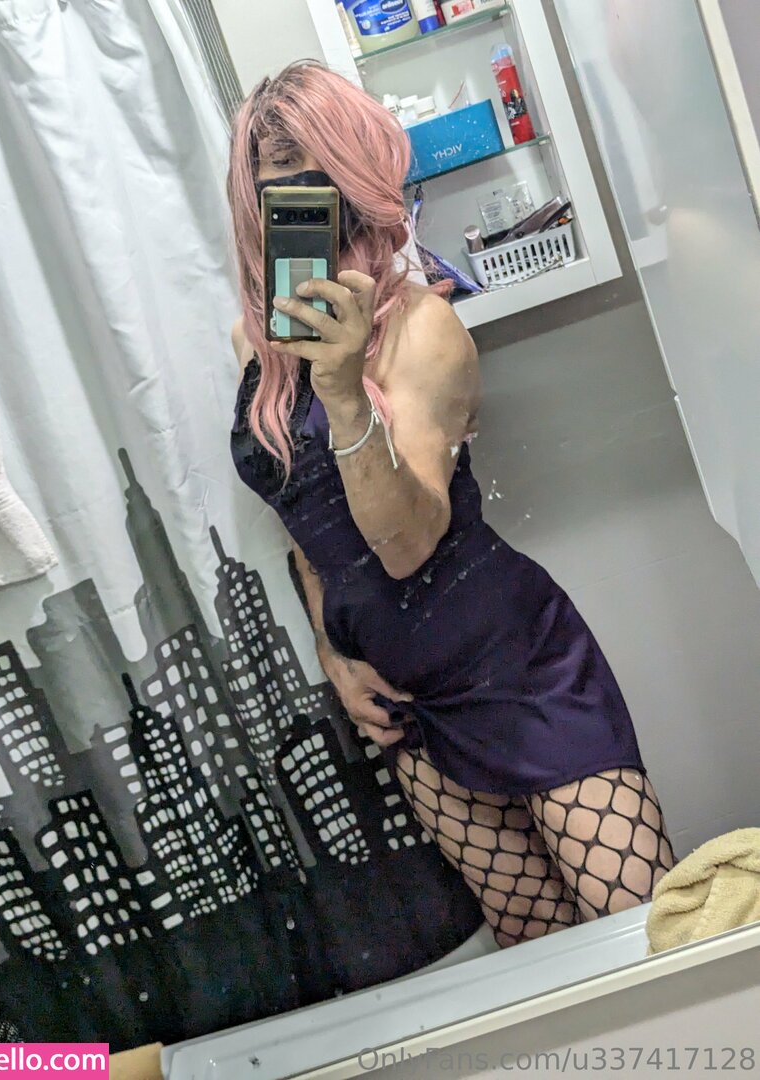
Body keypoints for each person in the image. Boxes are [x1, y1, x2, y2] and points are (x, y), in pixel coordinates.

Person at [226, 60, 676, 948]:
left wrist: (344, 390)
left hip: (511, 664)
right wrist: (331, 651)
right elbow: (302, 521)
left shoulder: (421, 326)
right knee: (533, 947)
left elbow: (407, 544)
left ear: (357, 189)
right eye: (279, 194)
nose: (303, 215)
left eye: (319, 188)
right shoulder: (255, 344)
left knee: (647, 939)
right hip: (404, 699)